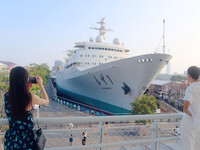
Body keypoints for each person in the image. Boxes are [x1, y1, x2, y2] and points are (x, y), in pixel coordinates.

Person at [4, 66, 49, 150]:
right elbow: (46, 101)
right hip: (26, 140)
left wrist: (24, 87)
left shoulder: (6, 96)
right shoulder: (30, 97)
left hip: (11, 138)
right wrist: (41, 85)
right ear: (24, 80)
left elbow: (17, 96)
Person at [180, 66, 200, 150]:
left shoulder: (190, 88)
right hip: (198, 122)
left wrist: (186, 111)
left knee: (187, 145)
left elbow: (187, 101)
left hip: (190, 121)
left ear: (189, 76)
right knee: (197, 145)